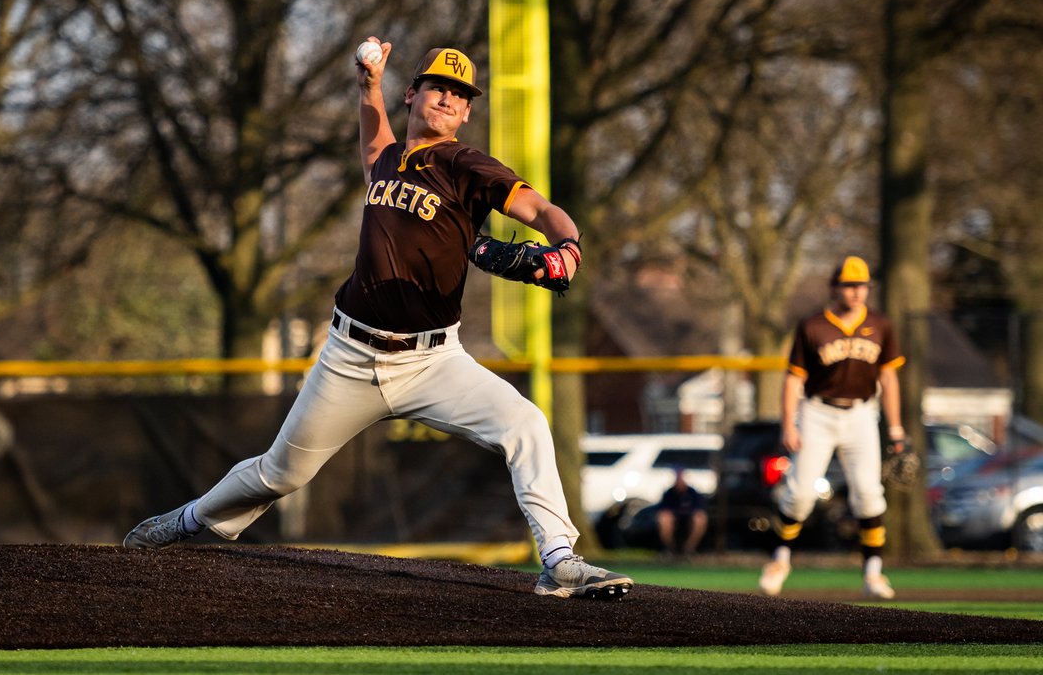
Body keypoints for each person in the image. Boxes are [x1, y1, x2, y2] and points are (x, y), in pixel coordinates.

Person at [124, 37, 633, 600]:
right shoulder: (388, 160)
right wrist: (369, 83)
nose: (448, 98)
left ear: (467, 112)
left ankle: (558, 560)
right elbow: (373, 139)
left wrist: (568, 246)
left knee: (527, 425)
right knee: (281, 475)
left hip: (436, 360)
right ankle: (187, 520)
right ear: (412, 93)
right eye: (438, 85)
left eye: (460, 94)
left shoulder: (466, 164)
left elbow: (539, 210)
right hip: (349, 356)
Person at [758, 255, 905, 600]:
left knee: (869, 494)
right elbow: (794, 379)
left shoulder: (881, 325)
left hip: (861, 414)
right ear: (834, 288)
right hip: (817, 413)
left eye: (862, 286)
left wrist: (896, 428)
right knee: (800, 495)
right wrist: (788, 426)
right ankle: (779, 562)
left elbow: (889, 377)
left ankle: (873, 573)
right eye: (849, 285)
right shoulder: (813, 326)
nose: (855, 292)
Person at [655, 468, 707, 557]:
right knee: (664, 519)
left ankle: (689, 549)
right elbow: (662, 510)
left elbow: (699, 509)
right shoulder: (669, 493)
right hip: (674, 519)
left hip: (689, 518)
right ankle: (670, 549)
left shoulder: (692, 492)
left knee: (700, 519)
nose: (680, 481)